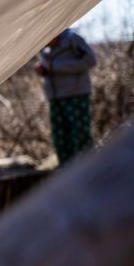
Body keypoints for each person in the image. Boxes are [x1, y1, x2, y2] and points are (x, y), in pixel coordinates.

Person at [35, 28, 98, 165]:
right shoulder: (45, 49)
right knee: (60, 137)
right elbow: (50, 67)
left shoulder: (72, 40)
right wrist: (44, 70)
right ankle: (65, 170)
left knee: (80, 135)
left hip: (76, 94)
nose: (45, 44)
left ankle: (87, 167)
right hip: (55, 97)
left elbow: (91, 60)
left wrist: (54, 67)